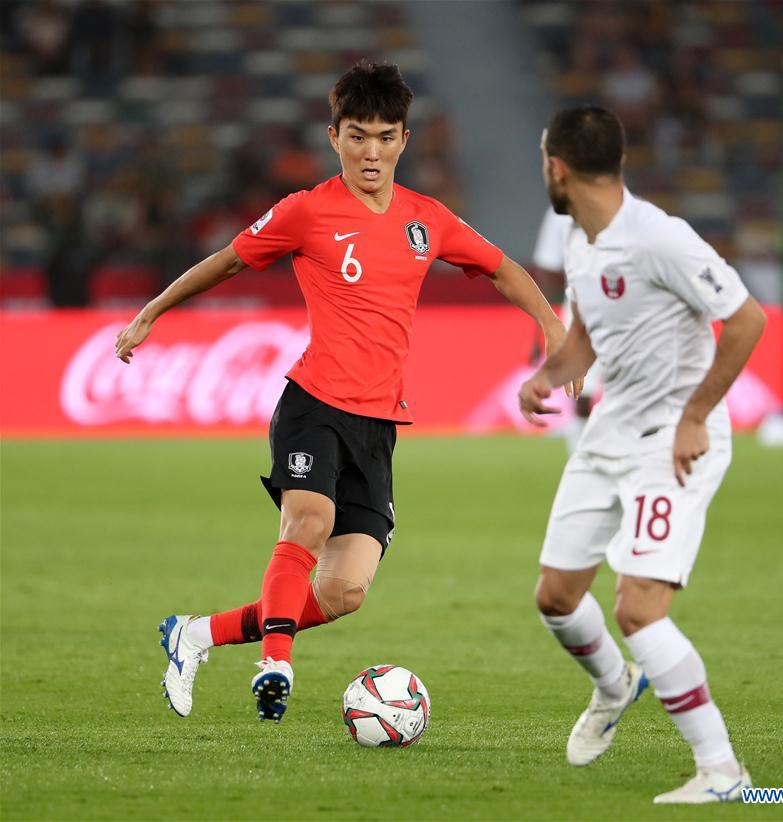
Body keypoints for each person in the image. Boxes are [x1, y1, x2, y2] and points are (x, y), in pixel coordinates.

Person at [115, 62, 571, 724]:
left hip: (378, 424)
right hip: (313, 405)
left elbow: (501, 268)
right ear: (334, 137)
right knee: (309, 521)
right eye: (357, 136)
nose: (371, 152)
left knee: (343, 591)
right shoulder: (307, 211)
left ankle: (195, 635)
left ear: (404, 141)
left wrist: (552, 327)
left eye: (385, 137)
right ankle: (275, 665)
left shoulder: (427, 220)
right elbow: (229, 259)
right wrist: (151, 311)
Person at [518, 106, 766, 804]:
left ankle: (722, 771)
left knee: (637, 610)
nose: (544, 173)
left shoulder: (660, 238)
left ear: (557, 168)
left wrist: (695, 414)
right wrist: (548, 374)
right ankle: (613, 686)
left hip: (671, 442)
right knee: (556, 598)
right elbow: (587, 337)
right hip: (609, 432)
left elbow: (747, 319)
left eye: (543, 162)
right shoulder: (578, 238)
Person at [532, 205, 603, 454]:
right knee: (583, 386)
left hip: (623, 303)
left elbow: (547, 267)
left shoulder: (559, 211)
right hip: (580, 301)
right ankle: (581, 451)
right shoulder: (560, 212)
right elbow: (548, 265)